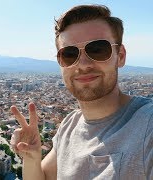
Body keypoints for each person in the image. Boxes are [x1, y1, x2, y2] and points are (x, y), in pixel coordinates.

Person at [10, 4, 153, 180]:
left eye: (98, 50)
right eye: (69, 54)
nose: (83, 64)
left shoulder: (147, 125)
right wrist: (31, 158)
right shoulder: (70, 125)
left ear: (120, 56)